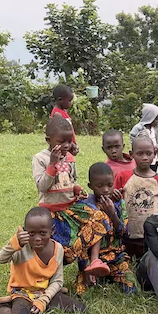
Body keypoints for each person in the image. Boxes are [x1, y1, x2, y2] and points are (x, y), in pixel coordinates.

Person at [33, 116, 111, 274]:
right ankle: (49, 275)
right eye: (61, 141)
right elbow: (42, 186)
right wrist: (52, 164)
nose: (67, 145)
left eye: (70, 141)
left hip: (71, 208)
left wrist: (76, 189)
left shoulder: (69, 158)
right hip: (51, 212)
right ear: (48, 140)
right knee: (57, 248)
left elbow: (71, 180)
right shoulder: (40, 159)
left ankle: (94, 260)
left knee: (99, 218)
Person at [0, 207, 87, 314]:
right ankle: (5, 305)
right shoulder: (21, 248)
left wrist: (43, 300)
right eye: (31, 233)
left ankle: (38, 306)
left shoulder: (58, 249)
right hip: (23, 293)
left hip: (44, 292)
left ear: (52, 231)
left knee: (79, 309)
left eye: (43, 233)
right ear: (25, 231)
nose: (37, 238)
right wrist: (13, 244)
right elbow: (1, 259)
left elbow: (57, 281)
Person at [75, 163, 137, 295]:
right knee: (83, 291)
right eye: (99, 186)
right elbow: (81, 240)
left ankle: (109, 273)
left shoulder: (118, 203)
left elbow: (124, 233)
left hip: (115, 255)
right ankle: (92, 272)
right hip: (91, 259)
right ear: (90, 186)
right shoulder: (86, 205)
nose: (105, 190)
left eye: (109, 185)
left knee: (131, 287)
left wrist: (113, 214)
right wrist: (86, 265)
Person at [114, 137, 158, 259]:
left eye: (149, 153)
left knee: (147, 259)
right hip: (127, 232)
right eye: (139, 154)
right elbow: (115, 200)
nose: (144, 157)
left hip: (152, 234)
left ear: (154, 153)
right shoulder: (124, 176)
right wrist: (115, 196)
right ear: (131, 154)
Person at [129, 103, 158, 170]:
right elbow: (132, 139)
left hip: (154, 156)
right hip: (142, 157)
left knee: (154, 170)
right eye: (156, 119)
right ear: (150, 117)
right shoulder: (139, 128)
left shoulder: (156, 129)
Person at [50, 84, 79, 156]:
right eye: (69, 100)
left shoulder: (63, 111)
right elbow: (60, 134)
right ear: (60, 100)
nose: (71, 103)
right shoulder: (57, 114)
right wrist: (71, 144)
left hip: (68, 144)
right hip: (64, 146)